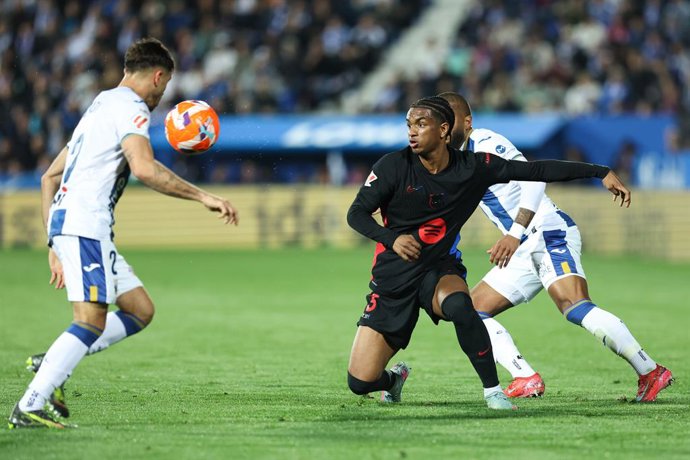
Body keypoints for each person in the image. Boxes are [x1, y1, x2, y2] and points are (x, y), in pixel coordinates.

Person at [8, 38, 239, 429]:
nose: (160, 95)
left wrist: (53, 240)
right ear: (158, 75)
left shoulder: (101, 105)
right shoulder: (131, 108)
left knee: (140, 309)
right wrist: (203, 197)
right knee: (90, 321)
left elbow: (49, 176)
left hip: (76, 225)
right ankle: (31, 402)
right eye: (163, 88)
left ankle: (52, 361)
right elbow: (145, 170)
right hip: (85, 224)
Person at [346, 96, 631, 410]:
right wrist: (392, 239)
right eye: (409, 125)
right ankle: (394, 380)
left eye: (421, 124)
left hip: (437, 270)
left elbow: (535, 170)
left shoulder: (473, 167)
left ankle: (493, 392)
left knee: (462, 306)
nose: (412, 132)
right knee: (360, 382)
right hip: (393, 279)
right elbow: (356, 214)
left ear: (443, 130)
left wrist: (599, 171)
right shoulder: (392, 166)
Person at [438, 91, 673, 401]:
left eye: (448, 120)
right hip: (522, 245)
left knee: (574, 306)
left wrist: (514, 232)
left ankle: (650, 371)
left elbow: (535, 179)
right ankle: (525, 377)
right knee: (469, 310)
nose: (442, 127)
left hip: (546, 231)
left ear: (466, 122)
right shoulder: (454, 160)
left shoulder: (485, 142)